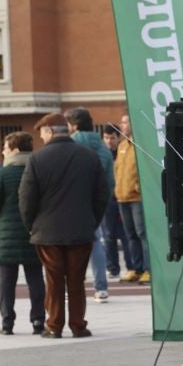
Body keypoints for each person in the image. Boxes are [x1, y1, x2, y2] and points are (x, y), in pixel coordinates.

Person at [19, 113, 109, 339]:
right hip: (81, 230)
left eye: (42, 133)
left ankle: (54, 325)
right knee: (77, 280)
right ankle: (78, 325)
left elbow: (26, 199)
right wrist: (92, 221)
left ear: (49, 131)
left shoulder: (37, 159)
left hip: (47, 232)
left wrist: (32, 225)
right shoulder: (88, 156)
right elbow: (102, 195)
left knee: (53, 279)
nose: (41, 138)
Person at [0, 132, 42, 335]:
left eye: (5, 148)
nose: (2, 151)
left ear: (15, 150)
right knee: (35, 278)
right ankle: (38, 320)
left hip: (5, 234)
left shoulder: (3, 173)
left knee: (7, 282)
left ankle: (7, 323)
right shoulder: (38, 170)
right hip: (33, 232)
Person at [65, 107, 118, 301]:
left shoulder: (70, 144)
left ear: (75, 125)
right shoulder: (102, 147)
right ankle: (101, 287)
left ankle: (69, 286)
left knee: (68, 245)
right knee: (96, 243)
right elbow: (109, 180)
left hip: (71, 202)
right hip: (96, 202)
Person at [104, 119, 147, 281]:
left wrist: (137, 186)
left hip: (136, 197)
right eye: (121, 123)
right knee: (130, 235)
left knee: (141, 233)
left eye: (125, 123)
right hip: (121, 197)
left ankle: (147, 269)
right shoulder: (122, 146)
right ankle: (136, 268)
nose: (122, 126)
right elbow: (117, 171)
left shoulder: (140, 145)